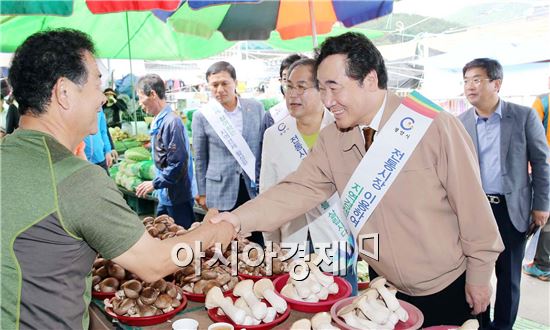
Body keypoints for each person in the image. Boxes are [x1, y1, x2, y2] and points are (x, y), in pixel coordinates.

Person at [211, 32, 504, 327]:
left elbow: (473, 208)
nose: (327, 101)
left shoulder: (432, 125)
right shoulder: (333, 139)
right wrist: (235, 220)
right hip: (383, 292)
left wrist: (480, 274)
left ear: (370, 80)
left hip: (447, 287)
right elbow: (295, 190)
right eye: (322, 89)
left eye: (333, 88)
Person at [0, 28, 235, 329]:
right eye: (98, 82)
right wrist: (215, 232)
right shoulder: (75, 178)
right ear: (64, 93)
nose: (103, 97)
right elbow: (154, 263)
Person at [458, 58, 549, 330]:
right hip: (475, 211)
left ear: (496, 84)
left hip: (511, 209)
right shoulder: (459, 122)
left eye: (476, 79)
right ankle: (481, 324)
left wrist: (542, 205)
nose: (469, 87)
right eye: (465, 81)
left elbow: (542, 162)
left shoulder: (523, 116)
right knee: (475, 273)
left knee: (508, 277)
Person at [260, 58, 358, 294]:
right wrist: (272, 247)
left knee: (341, 306)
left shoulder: (344, 129)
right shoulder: (275, 135)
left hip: (337, 241)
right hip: (293, 241)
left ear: (322, 90)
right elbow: (267, 195)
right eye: (288, 86)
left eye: (302, 87)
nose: (292, 94)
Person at [192, 61, 266, 245]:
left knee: (256, 236)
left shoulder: (255, 107)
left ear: (235, 82)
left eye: (224, 83)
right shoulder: (203, 115)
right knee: (224, 241)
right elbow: (200, 158)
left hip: (252, 186)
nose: (220, 89)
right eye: (214, 85)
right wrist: (201, 192)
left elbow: (264, 145)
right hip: (220, 188)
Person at [135, 74, 196, 229]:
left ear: (153, 94)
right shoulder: (160, 120)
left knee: (182, 240)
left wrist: (155, 183)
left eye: (140, 97)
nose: (139, 103)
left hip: (177, 196)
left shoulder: (172, 122)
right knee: (163, 233)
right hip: (166, 194)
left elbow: (178, 163)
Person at [523, 78, 550, 281]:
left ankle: (542, 264)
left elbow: (531, 135)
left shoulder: (543, 102)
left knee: (540, 218)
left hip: (545, 168)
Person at [262, 54, 306, 130]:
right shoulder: (272, 116)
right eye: (286, 79)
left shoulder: (324, 112)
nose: (291, 85)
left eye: (299, 79)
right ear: (280, 81)